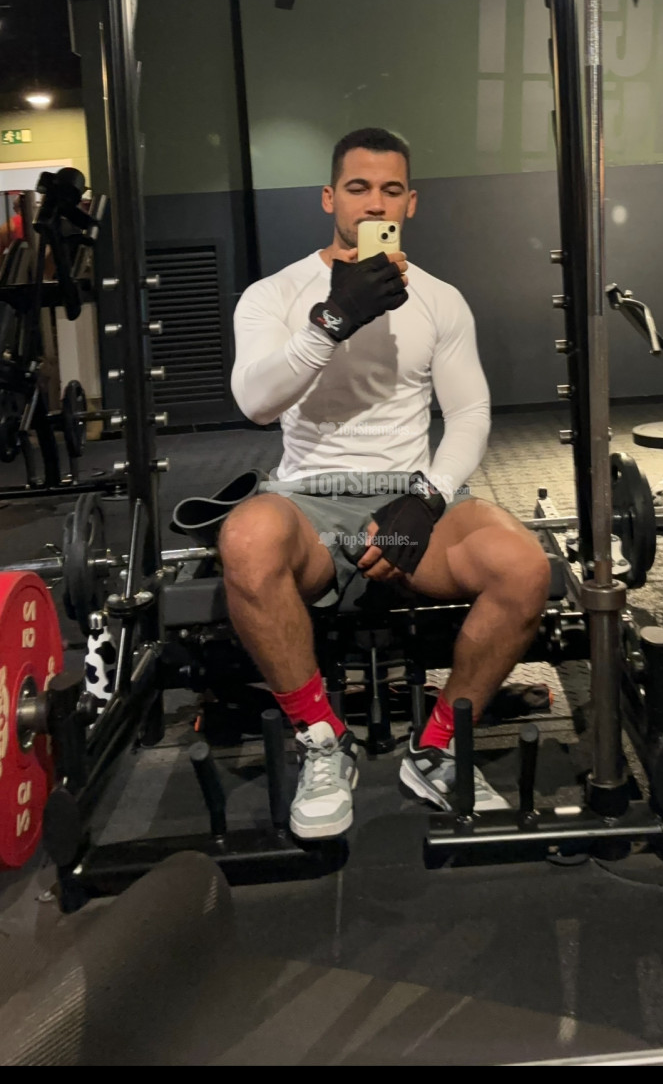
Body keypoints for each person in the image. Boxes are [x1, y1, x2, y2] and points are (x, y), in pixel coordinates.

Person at [223, 127, 550, 839]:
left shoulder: (439, 299)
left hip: (410, 491)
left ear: (411, 202)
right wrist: (332, 321)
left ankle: (437, 750)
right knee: (245, 540)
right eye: (359, 187)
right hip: (307, 497)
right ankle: (321, 741)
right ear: (329, 197)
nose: (375, 203)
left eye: (391, 190)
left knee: (524, 565)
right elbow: (255, 403)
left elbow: (469, 413)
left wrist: (426, 498)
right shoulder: (274, 294)